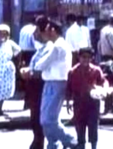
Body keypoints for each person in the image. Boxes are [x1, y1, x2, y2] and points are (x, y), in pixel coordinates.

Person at [34, 20, 77, 149]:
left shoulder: (58, 47)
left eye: (46, 30)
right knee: (47, 119)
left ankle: (70, 140)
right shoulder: (55, 45)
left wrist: (38, 66)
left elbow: (41, 64)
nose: (44, 33)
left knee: (48, 120)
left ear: (53, 31)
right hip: (50, 83)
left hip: (56, 84)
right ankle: (53, 144)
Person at [66, 47, 108, 149]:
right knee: (80, 129)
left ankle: (94, 146)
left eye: (89, 57)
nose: (86, 60)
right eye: (83, 57)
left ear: (92, 58)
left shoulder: (96, 70)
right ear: (79, 58)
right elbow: (68, 88)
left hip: (93, 104)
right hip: (79, 103)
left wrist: (104, 89)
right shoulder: (72, 72)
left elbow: (103, 81)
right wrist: (68, 102)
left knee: (93, 127)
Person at [19, 16, 50, 149]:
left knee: (38, 120)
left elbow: (43, 69)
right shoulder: (40, 49)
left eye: (36, 30)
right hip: (34, 86)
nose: (33, 33)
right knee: (35, 120)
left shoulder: (49, 48)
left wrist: (30, 72)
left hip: (40, 86)